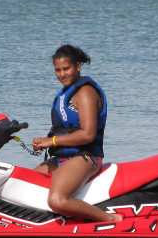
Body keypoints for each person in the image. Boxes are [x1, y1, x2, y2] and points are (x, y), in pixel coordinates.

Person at [32, 45, 123, 222]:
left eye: (66, 69)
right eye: (57, 70)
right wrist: (43, 142)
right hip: (64, 159)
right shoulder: (67, 93)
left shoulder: (85, 93)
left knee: (56, 200)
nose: (62, 74)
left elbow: (88, 135)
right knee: (24, 182)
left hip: (86, 158)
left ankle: (110, 219)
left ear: (78, 66)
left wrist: (52, 141)